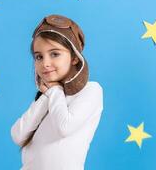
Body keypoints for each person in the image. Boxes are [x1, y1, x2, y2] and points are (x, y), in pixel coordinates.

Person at [10, 14, 104, 170]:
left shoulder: (91, 90)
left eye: (55, 54)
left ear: (74, 57)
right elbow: (18, 135)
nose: (45, 63)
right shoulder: (49, 96)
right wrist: (47, 96)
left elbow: (64, 127)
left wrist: (54, 90)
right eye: (39, 57)